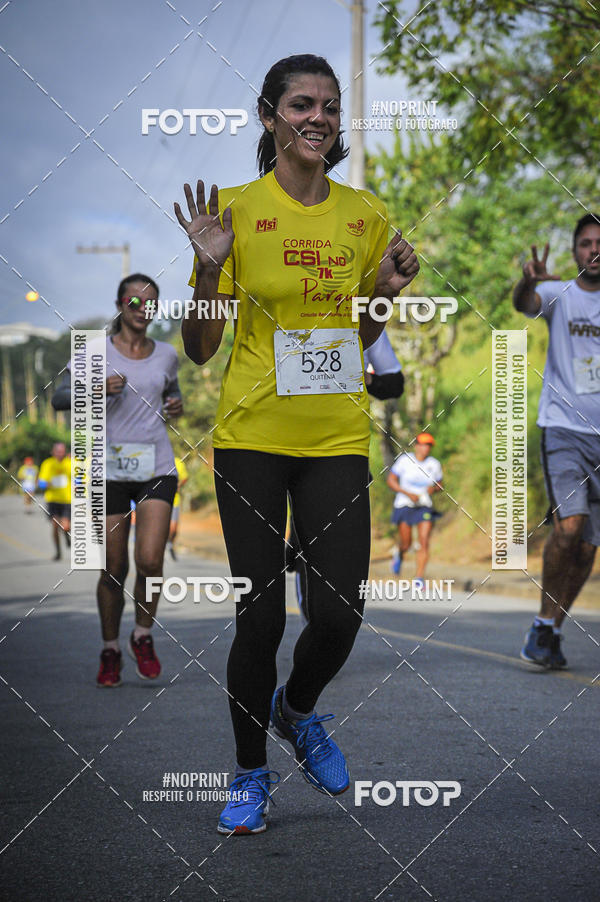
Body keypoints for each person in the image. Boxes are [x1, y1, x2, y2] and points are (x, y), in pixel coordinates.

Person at [175, 53, 419, 834]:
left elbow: (362, 331)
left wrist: (381, 295)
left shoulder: (365, 214)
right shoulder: (234, 210)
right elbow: (202, 350)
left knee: (342, 611)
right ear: (270, 115)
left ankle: (298, 708)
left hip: (336, 436)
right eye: (302, 104)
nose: (317, 117)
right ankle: (250, 777)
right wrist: (208, 274)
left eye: (329, 106)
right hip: (252, 436)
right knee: (261, 619)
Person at [52, 274, 183, 687]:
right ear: (120, 305)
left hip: (156, 467)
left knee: (150, 561)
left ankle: (142, 636)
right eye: (134, 301)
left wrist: (175, 405)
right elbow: (57, 398)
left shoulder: (166, 354)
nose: (142, 309)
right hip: (106, 471)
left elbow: (170, 393)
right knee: (114, 567)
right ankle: (110, 649)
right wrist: (94, 386)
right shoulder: (94, 352)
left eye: (150, 303)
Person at [514, 214, 600, 670]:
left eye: (599, 243)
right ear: (575, 252)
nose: (593, 250)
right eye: (585, 243)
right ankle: (545, 623)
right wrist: (528, 282)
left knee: (588, 545)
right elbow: (525, 303)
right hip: (565, 430)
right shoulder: (558, 293)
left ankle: (551, 629)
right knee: (569, 526)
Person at [287, 329, 405, 622]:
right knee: (306, 541)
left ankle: (331, 623)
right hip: (291, 443)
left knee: (341, 547)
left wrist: (363, 377)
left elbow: (394, 383)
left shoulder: (365, 320)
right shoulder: (285, 313)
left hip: (345, 446)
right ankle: (312, 621)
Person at [386, 432, 443, 587]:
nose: (425, 448)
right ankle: (399, 553)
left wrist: (431, 490)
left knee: (424, 541)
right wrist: (407, 493)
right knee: (407, 544)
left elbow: (439, 484)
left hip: (424, 505)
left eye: (429, 445)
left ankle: (419, 578)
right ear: (416, 445)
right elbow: (391, 480)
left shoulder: (434, 464)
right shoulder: (405, 461)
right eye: (423, 444)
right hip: (404, 504)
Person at [38, 443, 71, 559]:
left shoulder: (70, 463)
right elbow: (41, 483)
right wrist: (47, 484)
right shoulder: (48, 464)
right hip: (52, 500)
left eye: (62, 451)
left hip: (67, 500)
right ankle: (58, 552)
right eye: (58, 451)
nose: (60, 453)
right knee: (56, 525)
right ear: (53, 452)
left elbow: (79, 478)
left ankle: (67, 534)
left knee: (66, 526)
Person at [168, 456, 189, 560]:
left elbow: (185, 477)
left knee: (173, 528)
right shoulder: (157, 459)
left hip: (175, 500)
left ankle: (170, 545)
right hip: (161, 500)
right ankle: (163, 547)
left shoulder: (178, 462)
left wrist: (178, 485)